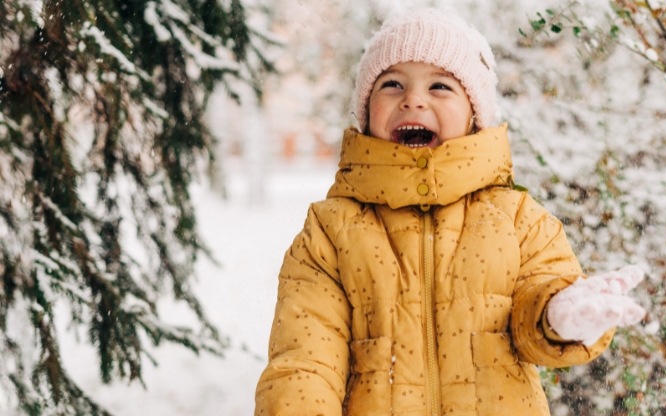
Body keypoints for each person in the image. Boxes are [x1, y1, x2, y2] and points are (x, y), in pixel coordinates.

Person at [254, 8, 645, 416]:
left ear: (475, 116)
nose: (413, 99)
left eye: (440, 86)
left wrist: (556, 315)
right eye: (391, 84)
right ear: (366, 113)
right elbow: (304, 363)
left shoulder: (518, 220)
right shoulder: (331, 232)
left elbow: (537, 306)